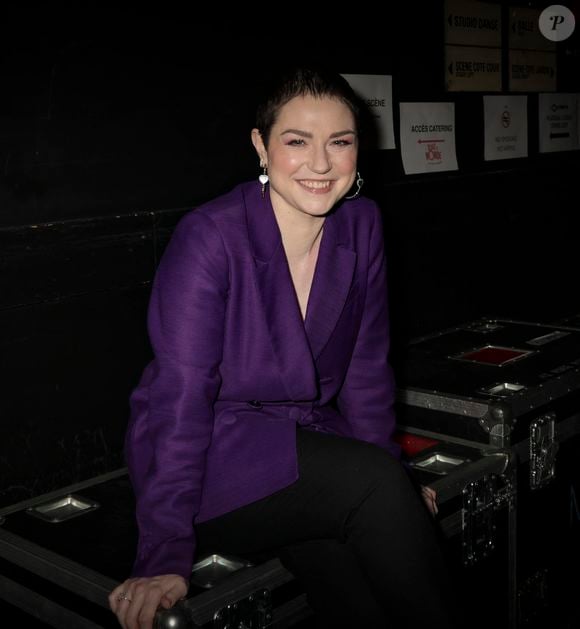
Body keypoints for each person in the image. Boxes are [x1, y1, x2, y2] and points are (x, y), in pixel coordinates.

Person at [109, 67, 460, 629]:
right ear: (261, 146)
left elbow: (368, 370)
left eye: (339, 143)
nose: (320, 164)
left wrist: (391, 476)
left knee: (358, 588)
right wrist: (163, 551)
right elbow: (182, 396)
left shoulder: (362, 225)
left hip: (302, 443)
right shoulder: (210, 236)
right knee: (373, 487)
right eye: (297, 141)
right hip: (208, 456)